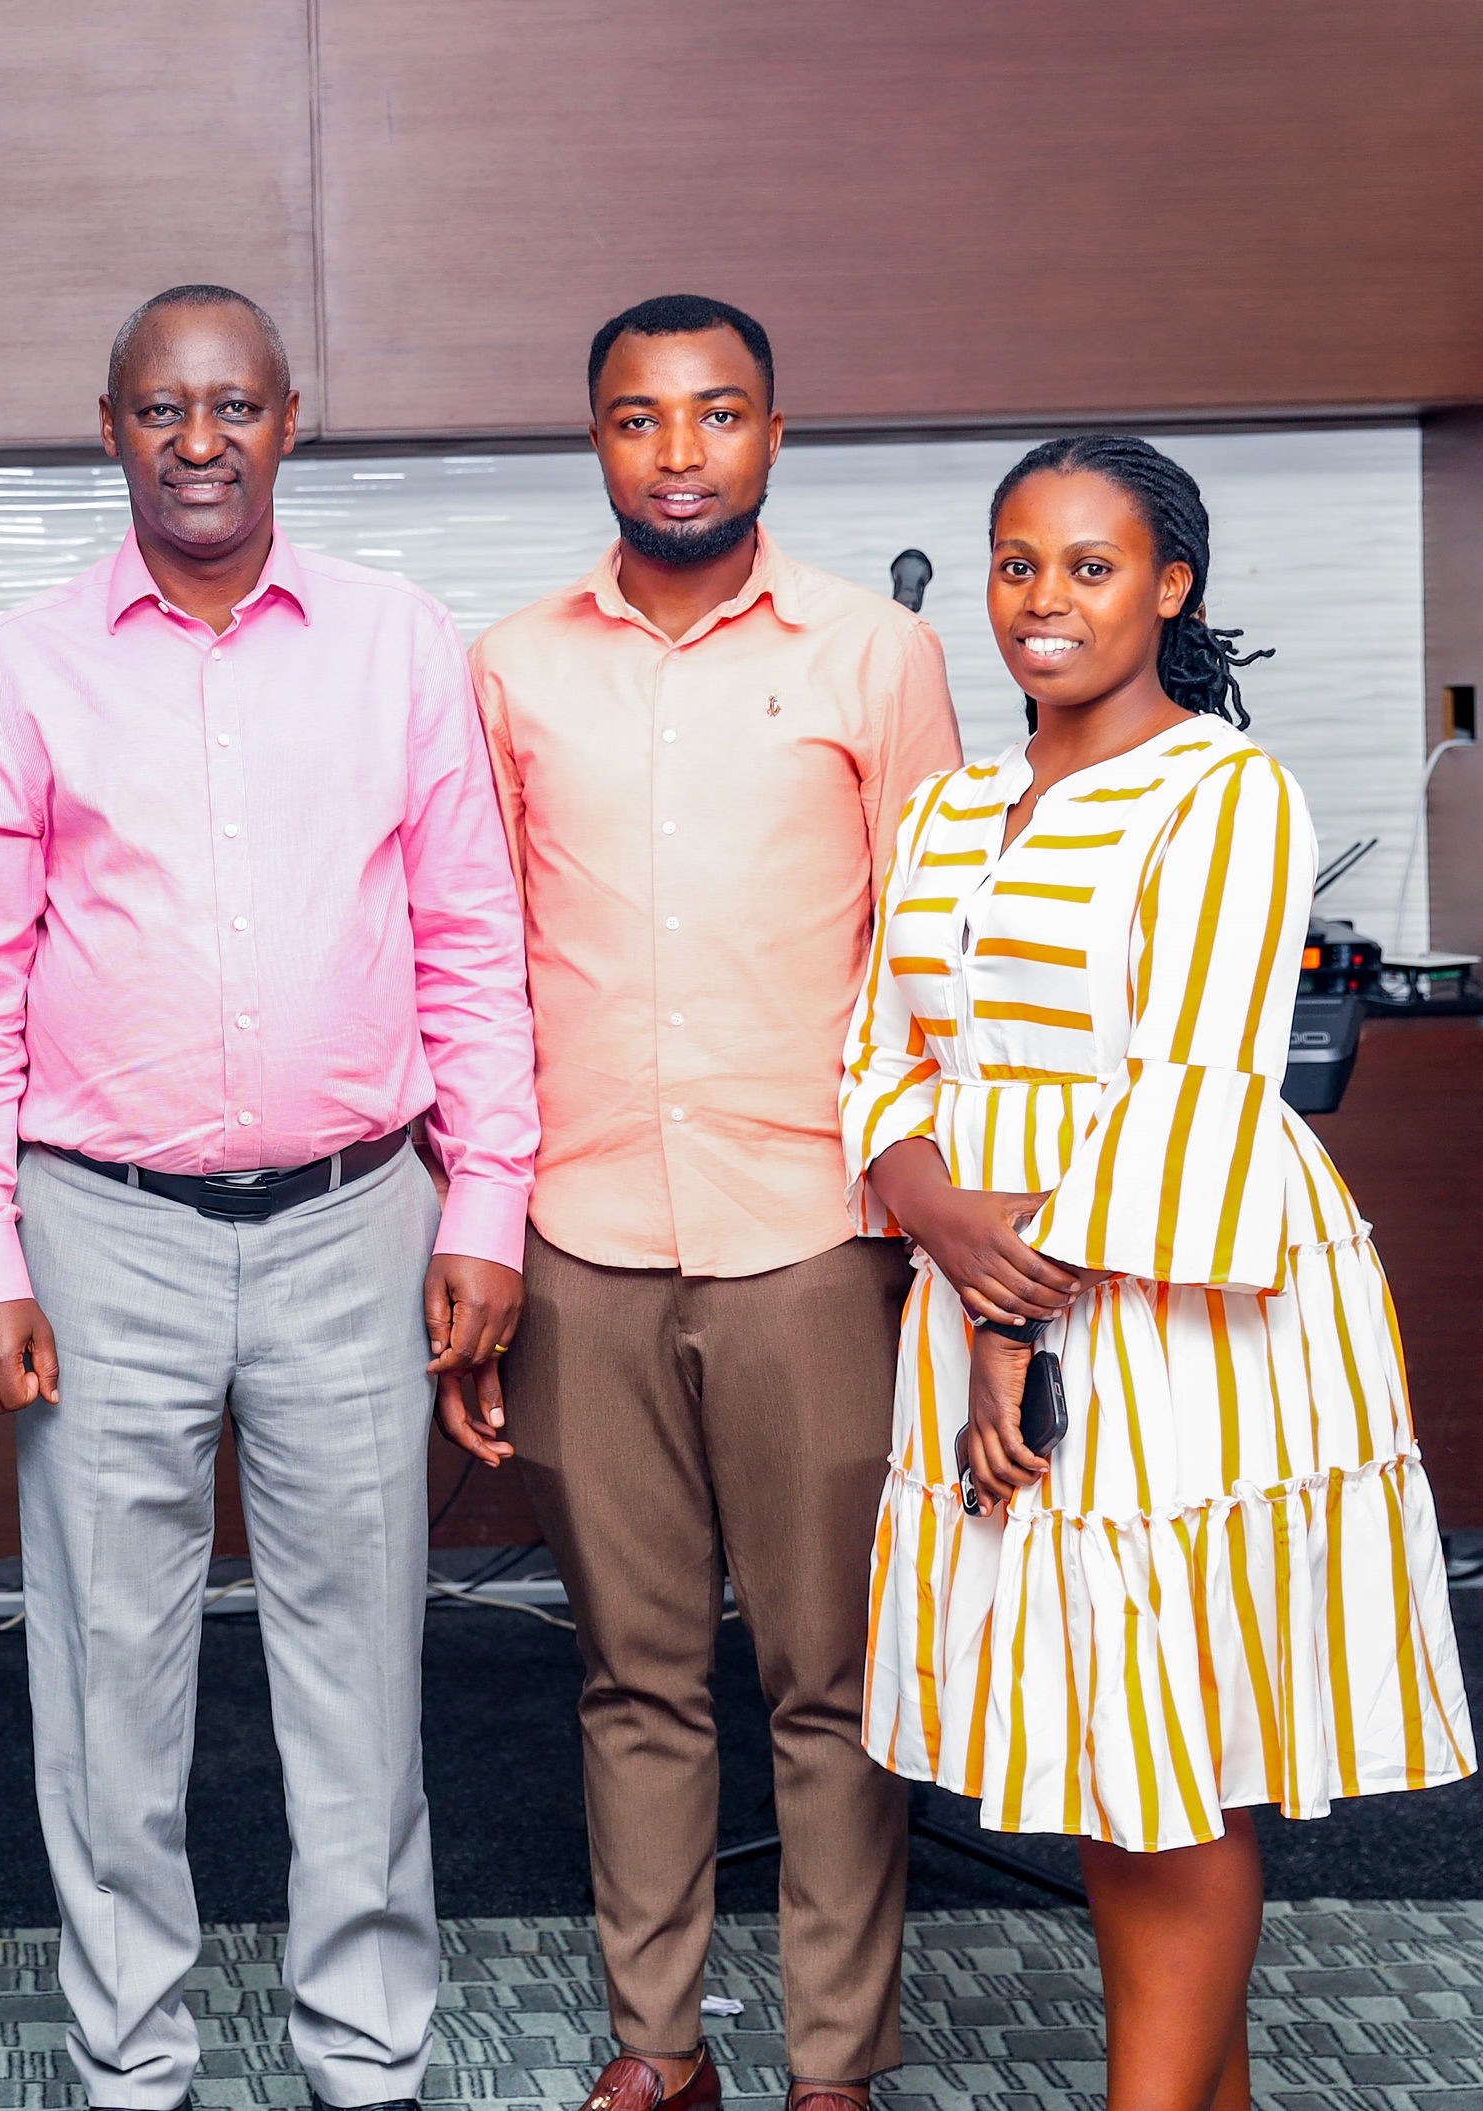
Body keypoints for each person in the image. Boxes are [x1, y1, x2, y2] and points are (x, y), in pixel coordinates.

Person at [0, 283, 532, 2111]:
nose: (201, 439)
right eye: (163, 407)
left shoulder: (399, 641)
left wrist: (486, 1207)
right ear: (106, 424)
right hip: (96, 1231)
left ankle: (367, 2057)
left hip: (362, 1221)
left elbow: (472, 942)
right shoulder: (20, 665)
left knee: (363, 1669)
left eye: (236, 405)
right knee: (109, 1683)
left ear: (291, 421)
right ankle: (133, 2063)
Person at [848, 434, 1472, 2110]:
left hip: (1173, 1319)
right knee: (1120, 1757)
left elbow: (1185, 1086)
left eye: (1091, 566)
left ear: (1172, 588)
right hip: (986, 1275)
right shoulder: (948, 808)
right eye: (1017, 564)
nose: (1044, 601)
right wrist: (933, 1213)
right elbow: (883, 1061)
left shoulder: (1225, 792)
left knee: (1172, 1756)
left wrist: (998, 1309)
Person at [461, 294, 962, 2111]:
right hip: (582, 1239)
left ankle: (835, 2062)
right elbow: (484, 969)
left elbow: (937, 956)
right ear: (594, 440)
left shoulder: (877, 654)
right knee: (633, 1676)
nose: (680, 452)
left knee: (831, 1682)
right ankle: (656, 2047)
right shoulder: (509, 665)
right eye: (640, 420)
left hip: (813, 1239)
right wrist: (481, 1240)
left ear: (774, 432)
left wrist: (934, 1244)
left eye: (718, 413)